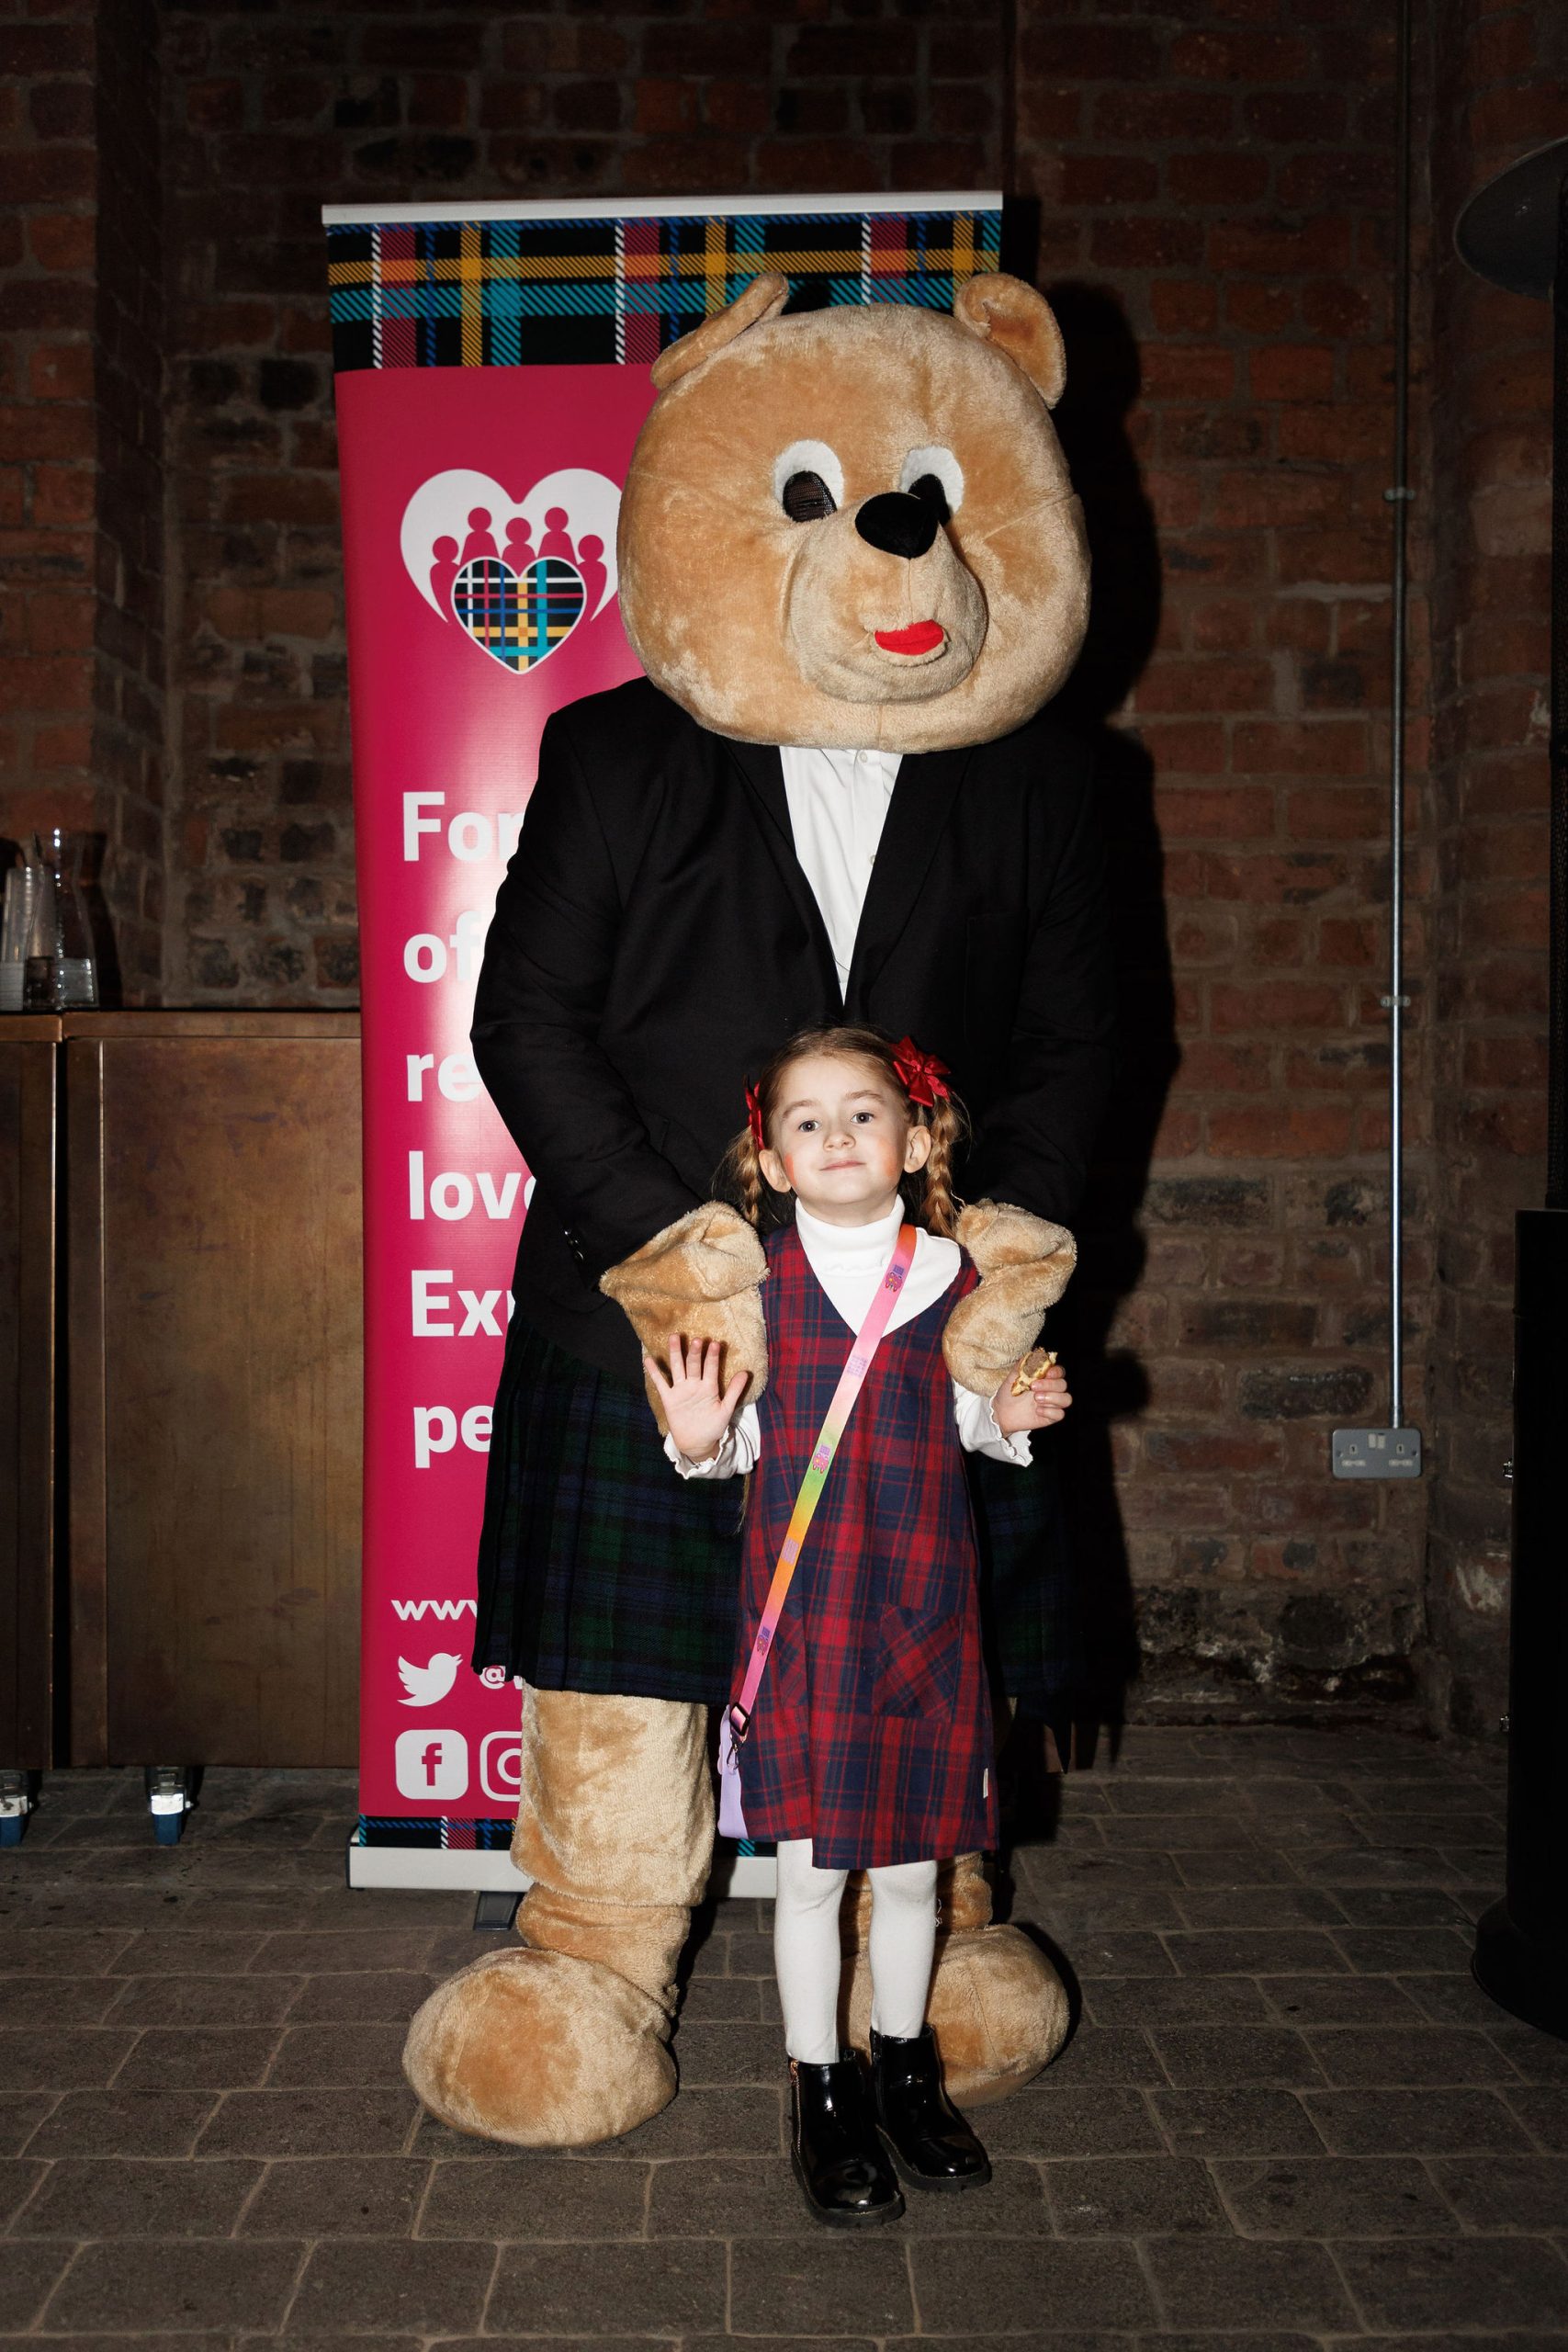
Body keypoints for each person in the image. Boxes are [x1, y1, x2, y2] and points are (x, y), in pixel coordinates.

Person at [648, 1026, 1071, 2227]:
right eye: (807, 1121)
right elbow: (729, 1442)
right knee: (812, 1873)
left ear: (917, 1141)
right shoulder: (754, 1285)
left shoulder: (959, 1277)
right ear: (772, 1162)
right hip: (811, 1618)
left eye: (864, 1113)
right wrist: (696, 1437)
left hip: (928, 1605)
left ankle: (904, 2072)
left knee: (914, 1869)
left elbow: (973, 1417)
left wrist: (1010, 1414)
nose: (837, 1135)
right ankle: (821, 2091)